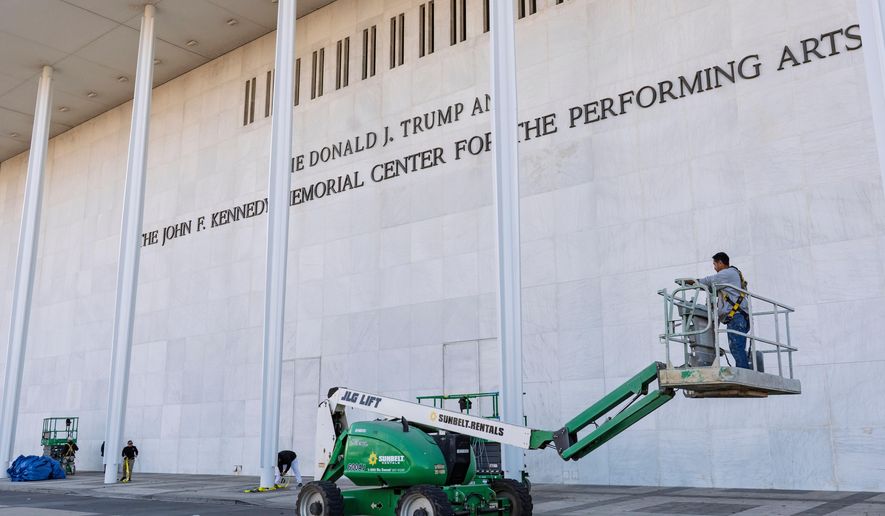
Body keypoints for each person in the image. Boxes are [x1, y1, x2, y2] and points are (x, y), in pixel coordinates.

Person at [688, 252, 752, 369]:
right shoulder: (732, 275)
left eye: (715, 264)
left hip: (737, 317)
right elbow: (711, 287)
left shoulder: (727, 273)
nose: (714, 267)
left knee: (736, 347)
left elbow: (708, 281)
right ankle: (744, 370)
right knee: (738, 348)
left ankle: (743, 372)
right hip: (739, 317)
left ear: (721, 263)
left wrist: (692, 282)